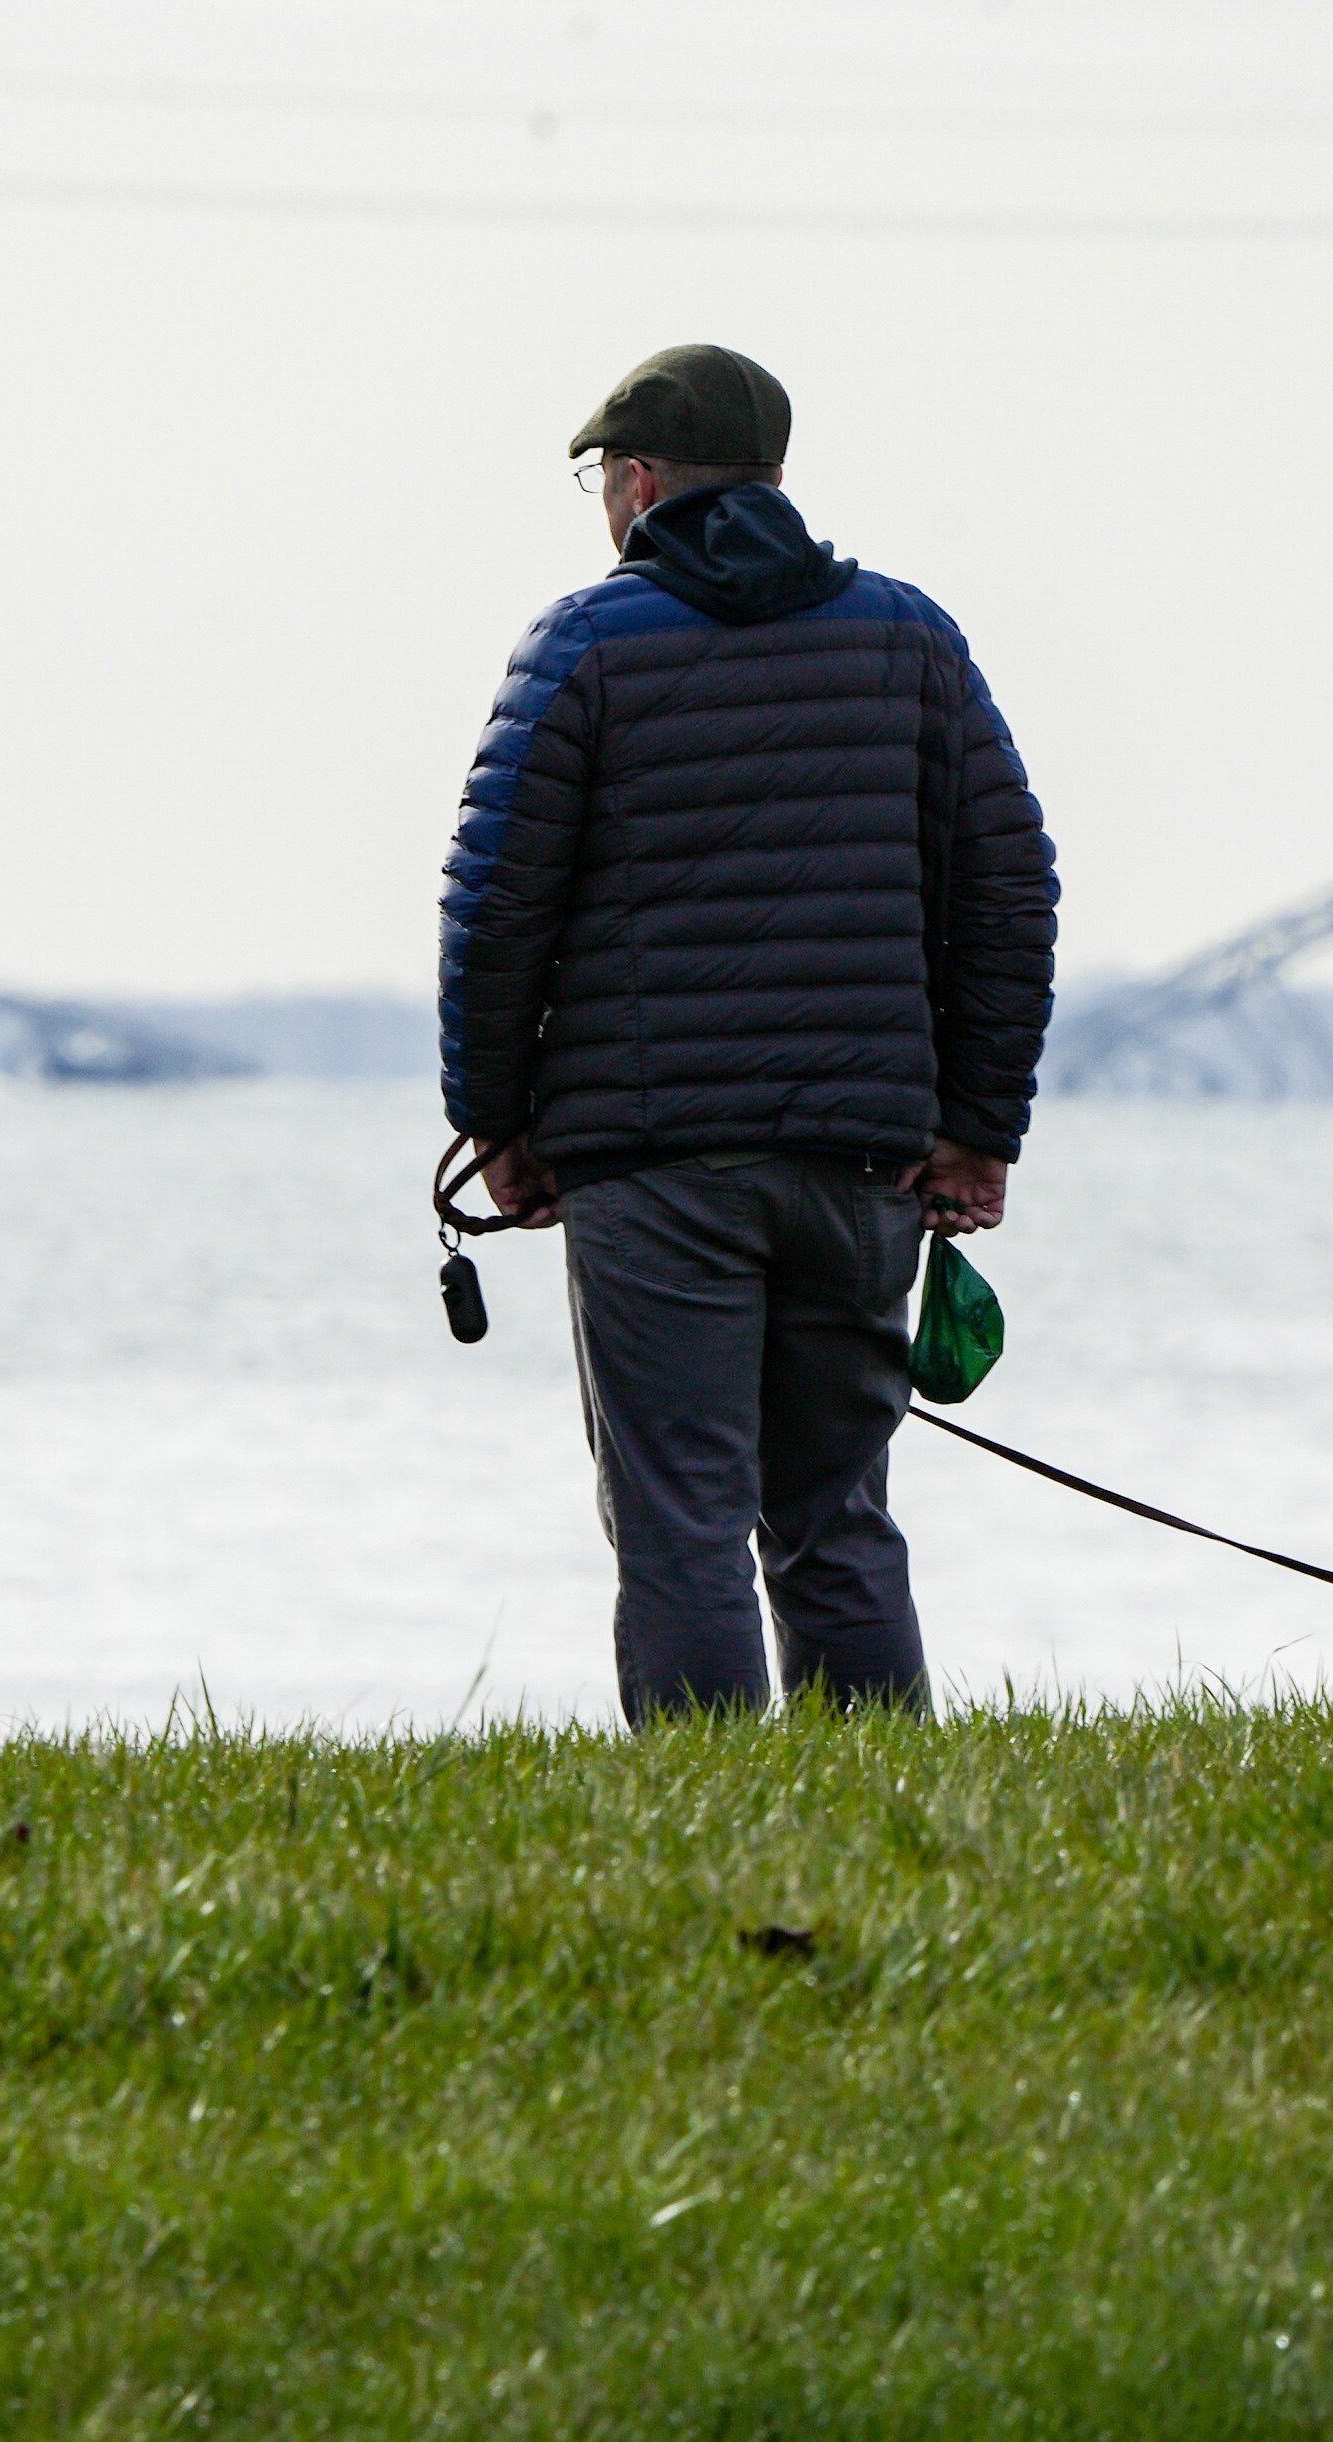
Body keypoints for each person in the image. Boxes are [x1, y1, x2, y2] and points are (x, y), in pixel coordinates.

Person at [438, 343, 1056, 1722]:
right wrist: (975, 1126)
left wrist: (496, 1120)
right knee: (838, 1519)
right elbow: (1010, 887)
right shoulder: (913, 641)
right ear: (773, 477)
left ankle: (710, 1826)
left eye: (605, 476)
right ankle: (885, 1812)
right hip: (865, 1165)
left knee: (683, 1524)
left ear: (641, 482)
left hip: (656, 1171)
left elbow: (494, 905)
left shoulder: (586, 646)